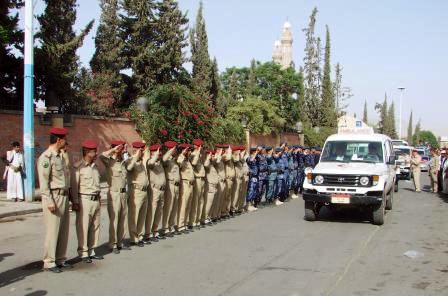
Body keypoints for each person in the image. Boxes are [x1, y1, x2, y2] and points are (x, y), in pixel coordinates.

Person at [38, 128, 72, 273]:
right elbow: (44, 182)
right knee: (53, 230)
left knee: (63, 230)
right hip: (54, 196)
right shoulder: (46, 157)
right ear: (58, 140)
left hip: (63, 196)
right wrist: (49, 201)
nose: (66, 142)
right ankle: (49, 261)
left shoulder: (60, 156)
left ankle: (60, 259)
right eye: (64, 139)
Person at [72, 140, 103, 263]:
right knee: (83, 227)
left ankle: (92, 250)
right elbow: (74, 186)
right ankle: (83, 252)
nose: (96, 153)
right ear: (86, 152)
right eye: (94, 151)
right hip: (84, 200)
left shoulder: (95, 167)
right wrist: (75, 201)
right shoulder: (78, 167)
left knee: (95, 226)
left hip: (96, 200)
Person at [100, 140, 130, 254]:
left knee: (123, 219)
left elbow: (131, 163)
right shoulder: (109, 162)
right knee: (115, 219)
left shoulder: (123, 162)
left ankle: (120, 242)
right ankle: (112, 244)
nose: (120, 150)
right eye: (119, 148)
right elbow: (101, 156)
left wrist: (126, 152)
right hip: (114, 193)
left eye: (121, 148)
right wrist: (113, 150)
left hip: (123, 193)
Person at [126, 141, 149, 247]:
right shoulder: (131, 161)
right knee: (134, 216)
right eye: (142, 150)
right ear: (137, 150)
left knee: (141, 216)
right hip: (136, 191)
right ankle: (133, 238)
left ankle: (139, 236)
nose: (144, 152)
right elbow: (129, 168)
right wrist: (135, 156)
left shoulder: (142, 162)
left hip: (144, 191)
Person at [144, 144, 166, 242]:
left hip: (161, 190)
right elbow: (151, 163)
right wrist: (155, 155)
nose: (160, 153)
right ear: (153, 152)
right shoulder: (150, 162)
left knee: (158, 212)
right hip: (154, 190)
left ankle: (155, 231)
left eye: (160, 152)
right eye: (158, 151)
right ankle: (148, 233)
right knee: (152, 212)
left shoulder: (160, 163)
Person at [161, 141, 180, 237]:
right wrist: (170, 151)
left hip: (176, 185)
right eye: (174, 149)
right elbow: (163, 159)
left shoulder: (174, 159)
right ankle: (165, 228)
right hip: (170, 185)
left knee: (174, 207)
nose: (176, 150)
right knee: (168, 207)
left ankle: (171, 226)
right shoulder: (166, 159)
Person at [177, 143, 195, 233]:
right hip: (185, 183)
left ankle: (185, 224)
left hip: (190, 184)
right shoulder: (181, 158)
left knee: (188, 204)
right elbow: (179, 164)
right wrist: (183, 154)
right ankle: (180, 225)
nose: (190, 152)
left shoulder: (188, 160)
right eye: (188, 150)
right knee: (183, 204)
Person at [190, 139, 206, 229]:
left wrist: (200, 154)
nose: (201, 148)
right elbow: (194, 163)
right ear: (196, 146)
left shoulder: (200, 155)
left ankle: (198, 219)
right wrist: (197, 153)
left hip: (202, 178)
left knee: (201, 200)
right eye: (200, 146)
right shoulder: (193, 155)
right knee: (196, 201)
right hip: (197, 179)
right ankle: (193, 221)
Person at [203, 149, 219, 223]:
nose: (214, 157)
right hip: (210, 185)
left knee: (212, 202)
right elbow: (205, 164)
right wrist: (208, 157)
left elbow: (218, 160)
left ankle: (209, 216)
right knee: (208, 202)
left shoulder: (212, 164)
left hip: (214, 186)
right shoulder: (207, 163)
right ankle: (205, 217)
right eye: (212, 155)